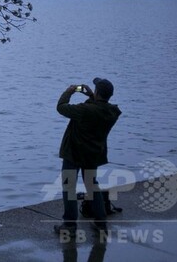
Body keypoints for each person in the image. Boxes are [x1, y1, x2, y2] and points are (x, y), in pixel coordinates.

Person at [54, 77, 121, 236]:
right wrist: (92, 96)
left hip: (74, 153)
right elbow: (99, 107)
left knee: (69, 187)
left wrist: (68, 92)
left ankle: (69, 226)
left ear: (97, 92)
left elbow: (61, 107)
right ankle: (100, 223)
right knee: (92, 185)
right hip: (93, 154)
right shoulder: (111, 112)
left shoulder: (86, 110)